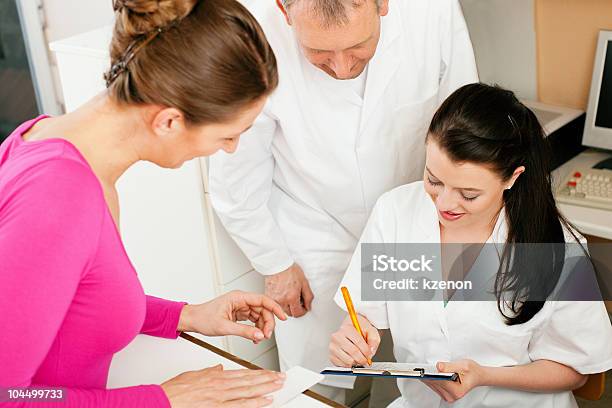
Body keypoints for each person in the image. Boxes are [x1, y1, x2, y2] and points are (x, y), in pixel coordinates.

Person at [0, 0, 286, 406]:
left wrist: (186, 316)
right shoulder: (58, 199)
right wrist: (161, 399)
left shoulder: (49, 139)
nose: (230, 149)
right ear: (168, 121)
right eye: (227, 136)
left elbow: (69, 297)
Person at [209, 0, 478, 398]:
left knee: (431, 372)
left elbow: (466, 115)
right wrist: (275, 263)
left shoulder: (432, 10)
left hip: (417, 223)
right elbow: (235, 174)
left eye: (357, 47)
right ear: (285, 9)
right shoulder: (249, 33)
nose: (341, 68)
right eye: (318, 52)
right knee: (313, 386)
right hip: (314, 234)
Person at [329, 83, 612, 407]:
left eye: (469, 194)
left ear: (511, 177)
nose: (445, 203)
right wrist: (352, 335)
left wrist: (485, 376)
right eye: (434, 179)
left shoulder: (554, 245)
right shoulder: (395, 213)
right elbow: (363, 315)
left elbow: (576, 369)